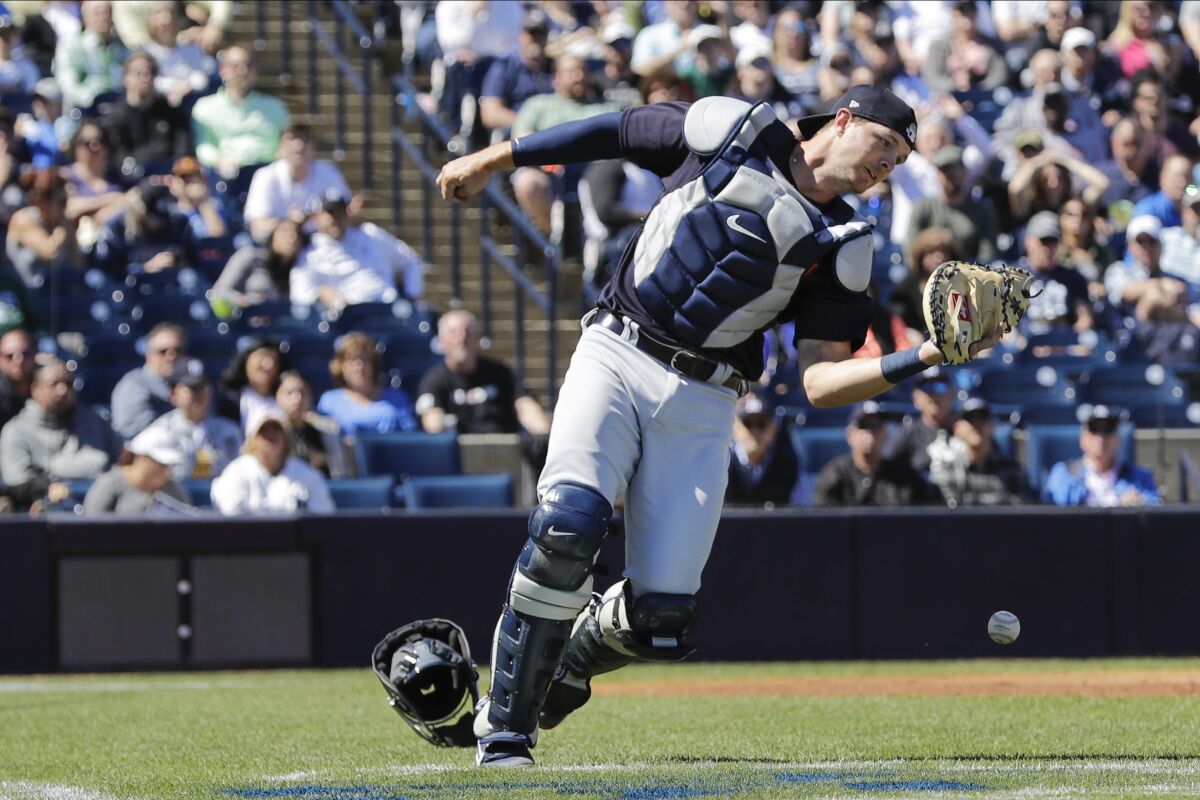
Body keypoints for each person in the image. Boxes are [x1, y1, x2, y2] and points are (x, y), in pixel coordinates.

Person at [435, 84, 1005, 766]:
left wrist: (928, 354)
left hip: (707, 400)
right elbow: (615, 130)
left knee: (660, 619)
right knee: (568, 524)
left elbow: (821, 381)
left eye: (900, 158)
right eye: (884, 143)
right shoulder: (728, 129)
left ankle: (567, 659)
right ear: (844, 120)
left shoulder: (845, 244)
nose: (888, 163)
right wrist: (495, 158)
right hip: (617, 351)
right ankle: (504, 730)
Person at [416, 309, 550, 439]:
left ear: (477, 338)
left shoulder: (502, 373)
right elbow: (432, 422)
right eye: (453, 333)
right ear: (442, 342)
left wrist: (545, 436)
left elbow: (525, 405)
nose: (461, 338)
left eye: (467, 332)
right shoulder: (433, 380)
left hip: (504, 449)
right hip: (460, 454)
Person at [289, 191, 423, 310]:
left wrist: (411, 297)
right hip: (344, 320)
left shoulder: (371, 234)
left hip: (387, 313)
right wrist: (321, 293)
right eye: (330, 213)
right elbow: (299, 293)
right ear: (317, 218)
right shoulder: (309, 250)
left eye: (340, 212)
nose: (335, 219)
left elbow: (411, 261)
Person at [0, 358, 120, 486]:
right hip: (49, 504)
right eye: (53, 384)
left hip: (103, 500)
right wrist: (47, 487)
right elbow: (18, 482)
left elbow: (122, 464)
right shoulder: (16, 431)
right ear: (35, 390)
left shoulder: (97, 422)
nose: (62, 391)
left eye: (68, 383)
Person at [813, 400, 940, 507]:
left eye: (877, 426)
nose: (871, 433)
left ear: (886, 434)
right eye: (864, 426)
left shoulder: (903, 476)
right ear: (850, 435)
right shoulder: (836, 473)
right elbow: (825, 521)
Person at [210, 408, 335, 515]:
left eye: (276, 428)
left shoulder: (306, 474)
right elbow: (230, 511)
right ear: (252, 440)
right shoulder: (236, 471)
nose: (270, 434)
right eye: (263, 430)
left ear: (286, 437)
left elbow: (323, 514)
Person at [190, 44, 289, 178]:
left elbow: (286, 140)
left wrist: (283, 154)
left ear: (255, 71)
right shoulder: (205, 107)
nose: (243, 71)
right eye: (235, 66)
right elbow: (203, 146)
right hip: (225, 177)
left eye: (248, 65)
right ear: (223, 70)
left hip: (268, 174)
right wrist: (219, 161)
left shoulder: (275, 106)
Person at [243, 124, 351, 242]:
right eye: (291, 139)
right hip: (280, 251)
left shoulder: (329, 172)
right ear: (280, 147)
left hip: (322, 246)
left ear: (314, 147)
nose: (299, 145)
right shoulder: (265, 176)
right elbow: (257, 227)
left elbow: (348, 215)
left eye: (305, 140)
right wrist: (291, 224)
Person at [142, 357, 241, 480]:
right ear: (173, 395)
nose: (199, 395)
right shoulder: (159, 432)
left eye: (203, 388)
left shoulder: (229, 431)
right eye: (192, 389)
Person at [1043, 405, 1160, 507]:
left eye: (1107, 431)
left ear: (1117, 439)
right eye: (1094, 431)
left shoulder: (1139, 477)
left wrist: (1139, 504)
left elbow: (1155, 508)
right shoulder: (1064, 474)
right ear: (1083, 439)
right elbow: (1053, 515)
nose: (1101, 439)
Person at [927, 397, 1027, 507]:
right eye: (970, 419)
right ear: (957, 429)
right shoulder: (946, 469)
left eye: (982, 418)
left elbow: (1019, 511)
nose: (977, 425)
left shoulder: (1011, 469)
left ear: (992, 426)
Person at [104, 51, 193, 175]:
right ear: (125, 79)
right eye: (138, 73)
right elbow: (118, 160)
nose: (145, 77)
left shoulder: (172, 114)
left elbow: (183, 153)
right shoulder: (114, 118)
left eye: (150, 72)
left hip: (169, 179)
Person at [316, 332, 418, 436]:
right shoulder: (329, 401)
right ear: (340, 366)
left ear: (373, 365)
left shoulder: (397, 397)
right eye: (351, 360)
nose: (359, 366)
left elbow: (409, 437)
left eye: (364, 359)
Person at [82, 424, 190, 514]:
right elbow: (91, 531)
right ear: (141, 458)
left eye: (169, 466)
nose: (166, 471)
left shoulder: (176, 490)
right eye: (161, 464)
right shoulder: (109, 484)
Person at [1019, 210, 1095, 335]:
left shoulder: (1072, 277)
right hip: (1025, 347)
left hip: (1062, 348)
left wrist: (1068, 342)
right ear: (1028, 241)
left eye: (1052, 242)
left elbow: (1084, 318)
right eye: (1043, 241)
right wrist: (1018, 344)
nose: (1047, 248)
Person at [110, 323, 186, 441]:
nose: (171, 356)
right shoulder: (133, 384)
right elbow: (134, 436)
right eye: (163, 351)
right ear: (149, 355)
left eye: (177, 350)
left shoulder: (192, 384)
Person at [6, 170, 81, 289]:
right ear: (43, 202)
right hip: (26, 295)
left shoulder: (63, 221)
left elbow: (77, 263)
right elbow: (50, 253)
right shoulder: (23, 219)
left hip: (60, 291)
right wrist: (60, 233)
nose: (65, 207)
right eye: (62, 202)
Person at [52, 0, 129, 112]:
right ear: (86, 18)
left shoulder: (123, 47)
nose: (104, 17)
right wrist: (93, 100)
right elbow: (67, 84)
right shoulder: (71, 46)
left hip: (119, 107)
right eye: (98, 13)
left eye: (108, 13)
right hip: (86, 109)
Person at [211, 218, 305, 309]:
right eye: (284, 232)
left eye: (296, 234)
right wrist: (243, 301)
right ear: (272, 236)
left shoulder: (299, 271)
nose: (292, 238)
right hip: (243, 320)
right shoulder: (250, 256)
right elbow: (219, 290)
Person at [725, 392, 799, 507]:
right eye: (748, 424)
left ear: (773, 429)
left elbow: (802, 510)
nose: (755, 431)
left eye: (761, 424)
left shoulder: (788, 466)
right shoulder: (722, 463)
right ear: (735, 428)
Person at [884, 367, 957, 475]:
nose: (934, 394)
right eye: (927, 388)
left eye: (940, 387)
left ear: (952, 395)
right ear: (915, 398)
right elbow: (888, 470)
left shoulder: (966, 430)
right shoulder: (907, 434)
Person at [275, 370, 343, 477]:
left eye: (302, 392)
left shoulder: (327, 429)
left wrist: (325, 459)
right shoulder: (269, 431)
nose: (297, 399)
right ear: (277, 396)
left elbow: (341, 470)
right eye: (289, 393)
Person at [218, 337, 286, 433]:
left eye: (274, 359)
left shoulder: (286, 399)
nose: (269, 365)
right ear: (246, 360)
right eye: (262, 356)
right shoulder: (231, 401)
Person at [0, 328, 37, 429]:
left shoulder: (48, 385)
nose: (18, 361)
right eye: (10, 356)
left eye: (25, 354)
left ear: (34, 354)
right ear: (0, 358)